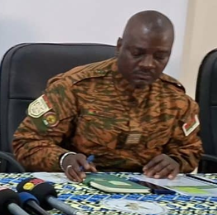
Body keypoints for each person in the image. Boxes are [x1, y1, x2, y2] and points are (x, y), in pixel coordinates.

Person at [12, 10, 202, 182]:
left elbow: (191, 150)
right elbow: (26, 142)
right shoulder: (73, 87)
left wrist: (176, 161)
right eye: (137, 53)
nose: (148, 64)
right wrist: (63, 159)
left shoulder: (176, 99)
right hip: (79, 185)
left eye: (160, 57)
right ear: (119, 47)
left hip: (148, 190)